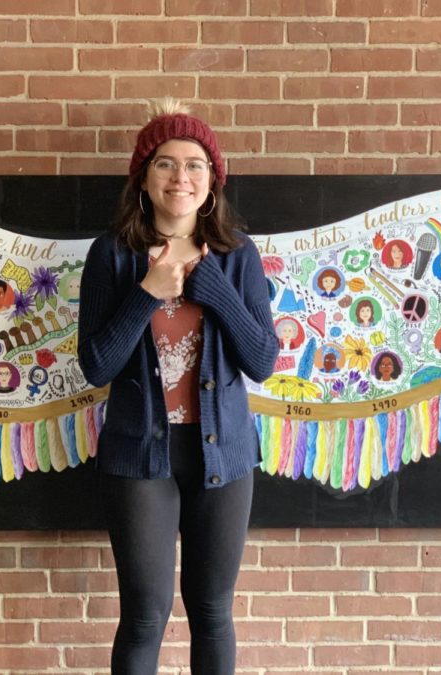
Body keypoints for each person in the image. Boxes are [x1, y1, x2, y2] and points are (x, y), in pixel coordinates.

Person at [77, 98, 278, 675]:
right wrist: (147, 291)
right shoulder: (111, 257)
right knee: (145, 614)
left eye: (194, 164)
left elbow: (262, 360)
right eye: (166, 163)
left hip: (225, 455)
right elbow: (96, 365)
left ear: (212, 182)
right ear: (144, 176)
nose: (180, 177)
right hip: (140, 457)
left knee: (212, 611)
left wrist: (212, 288)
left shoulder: (237, 258)